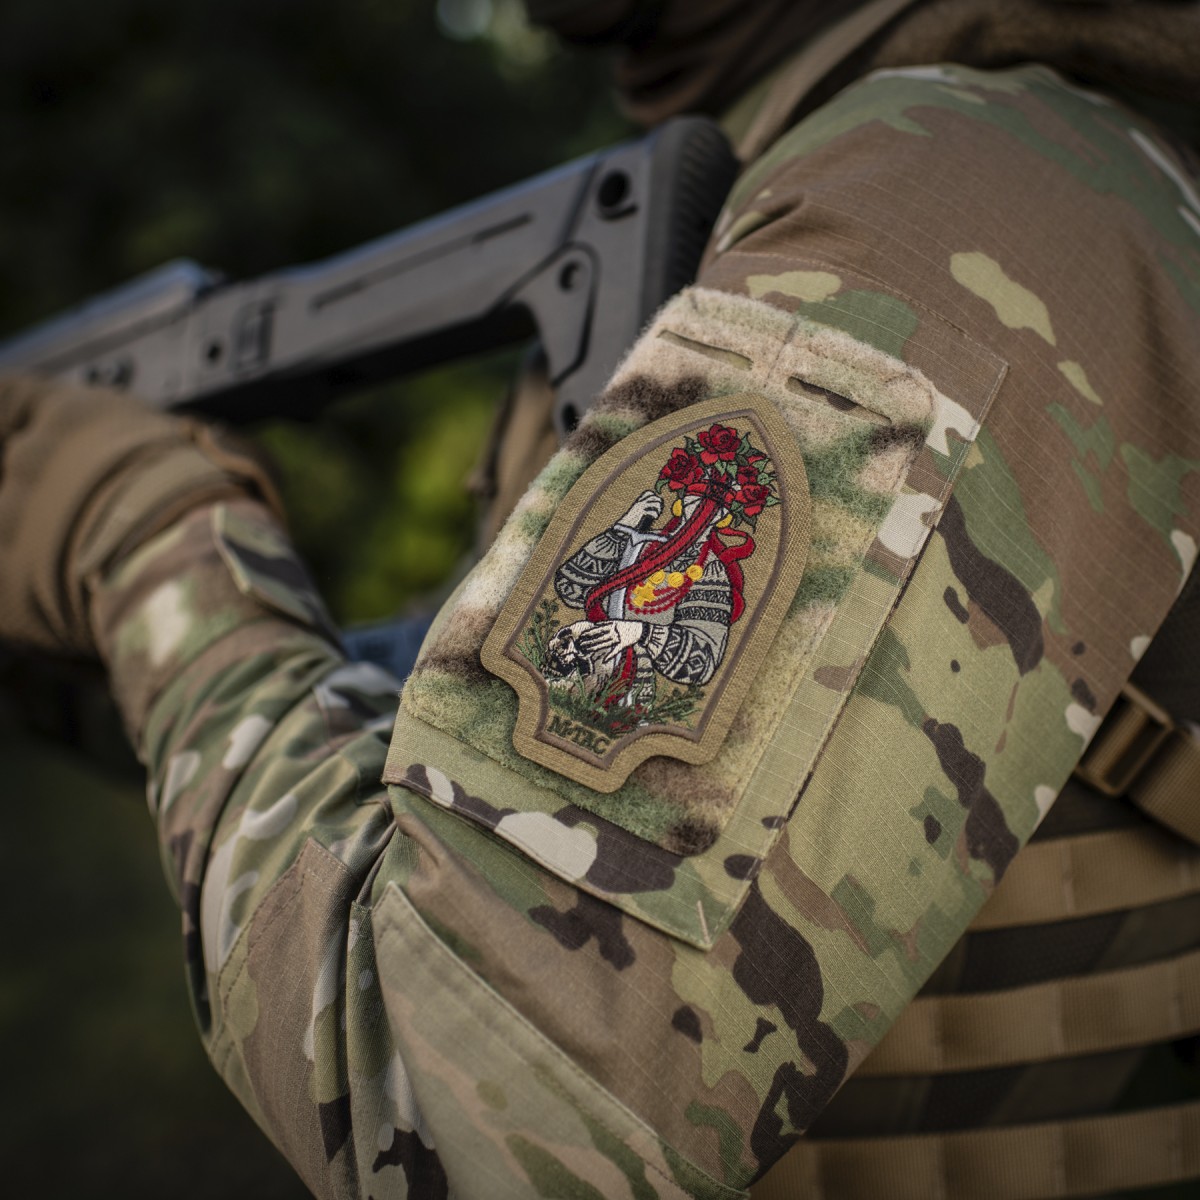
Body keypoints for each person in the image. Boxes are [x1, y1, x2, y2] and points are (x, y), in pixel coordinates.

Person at [2, 1, 1200, 1197]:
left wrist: (139, 534)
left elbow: (456, 1104)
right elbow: (442, 772)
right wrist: (87, 643)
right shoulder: (788, 181)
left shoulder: (929, 200)